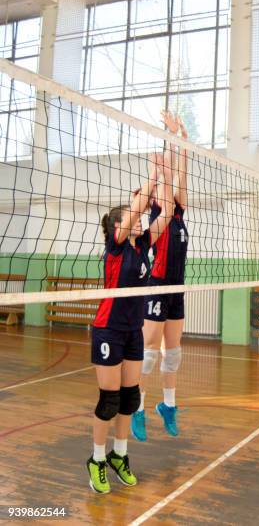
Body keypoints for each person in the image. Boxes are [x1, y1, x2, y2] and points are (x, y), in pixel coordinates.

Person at [87, 151, 174, 494]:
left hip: (132, 331)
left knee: (129, 400)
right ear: (118, 228)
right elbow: (138, 211)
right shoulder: (116, 247)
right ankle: (95, 459)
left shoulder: (142, 247)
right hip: (108, 329)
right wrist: (150, 178)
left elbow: (165, 213)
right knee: (108, 401)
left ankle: (119, 455)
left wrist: (164, 176)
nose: (138, 220)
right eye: (130, 218)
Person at [131, 111, 189, 442]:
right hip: (156, 285)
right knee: (150, 352)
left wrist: (182, 134)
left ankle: (168, 406)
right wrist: (167, 147)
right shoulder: (158, 216)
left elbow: (182, 171)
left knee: (174, 352)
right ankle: (137, 407)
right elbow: (166, 181)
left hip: (176, 288)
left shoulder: (179, 210)